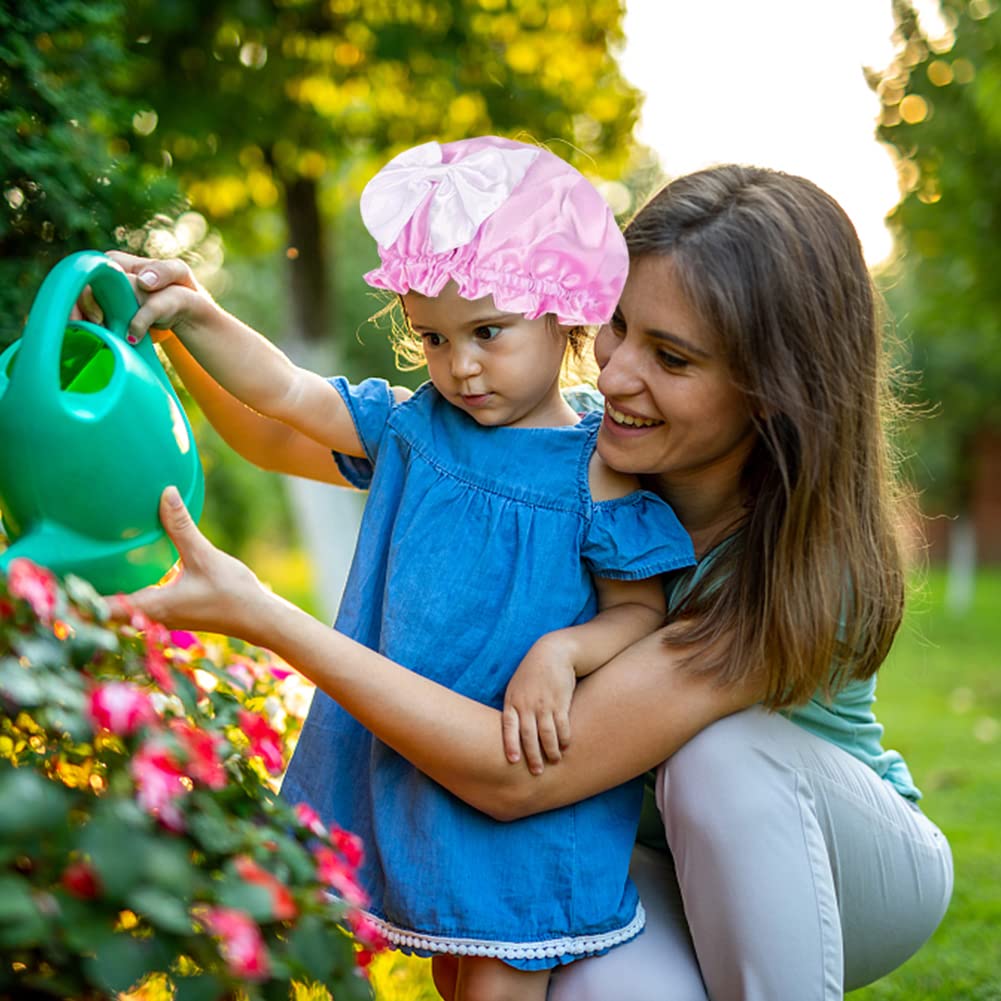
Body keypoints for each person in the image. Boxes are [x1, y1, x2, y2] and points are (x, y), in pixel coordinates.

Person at [110, 163, 953, 1000]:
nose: (617, 373)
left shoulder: (796, 567)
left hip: (838, 866)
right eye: (620, 325)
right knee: (585, 978)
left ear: (770, 389)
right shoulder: (574, 457)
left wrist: (262, 614)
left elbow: (517, 777)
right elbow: (281, 429)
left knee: (717, 759)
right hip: (647, 853)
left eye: (672, 356)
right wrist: (177, 321)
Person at [100, 137, 697, 1001]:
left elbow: (639, 612)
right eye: (433, 338)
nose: (459, 365)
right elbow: (287, 393)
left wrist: (563, 652)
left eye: (487, 333)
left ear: (562, 312)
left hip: (518, 775)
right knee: (452, 971)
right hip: (414, 761)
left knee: (496, 975)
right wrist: (197, 313)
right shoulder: (414, 430)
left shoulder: (596, 468)